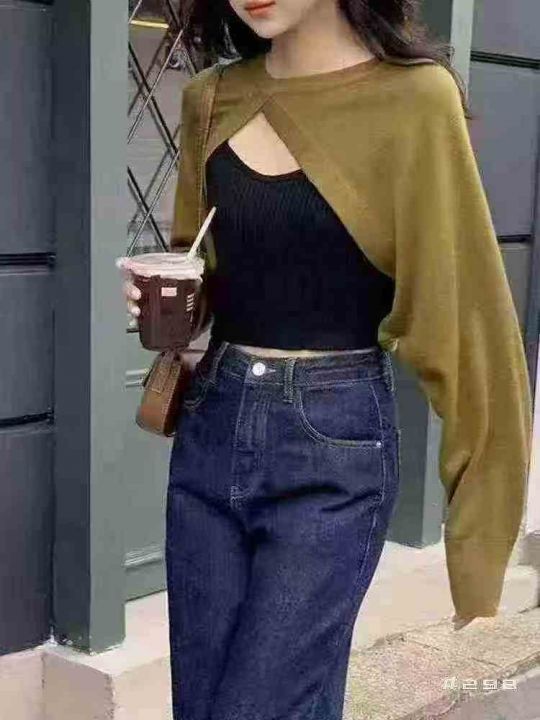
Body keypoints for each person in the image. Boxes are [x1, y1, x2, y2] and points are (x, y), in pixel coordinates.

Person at [123, 1, 533, 718]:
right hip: (212, 431)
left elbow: (466, 316)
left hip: (333, 446)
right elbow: (202, 269)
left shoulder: (414, 99)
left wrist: (479, 533)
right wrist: (164, 301)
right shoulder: (210, 98)